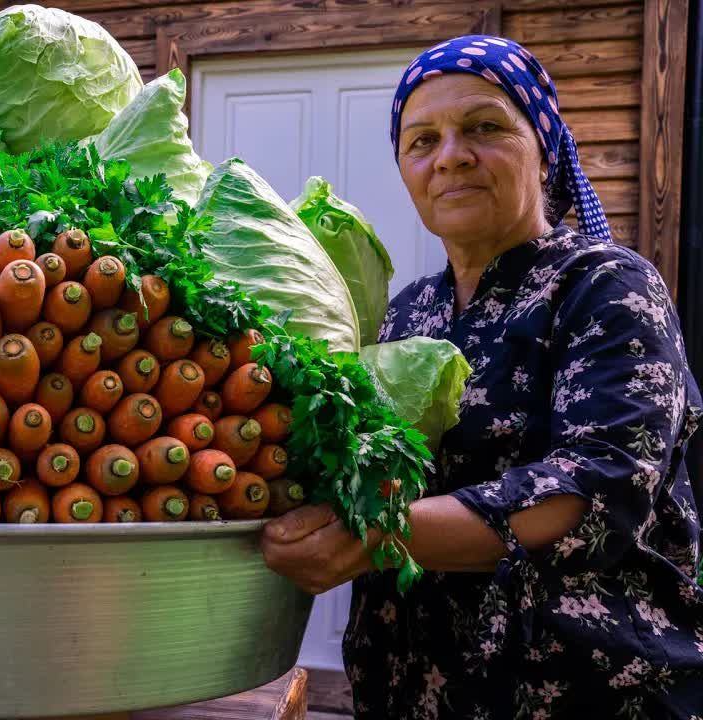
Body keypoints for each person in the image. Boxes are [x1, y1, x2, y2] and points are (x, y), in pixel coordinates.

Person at [262, 35, 703, 719]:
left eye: (484, 127)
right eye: (421, 140)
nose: (451, 156)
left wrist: (378, 535)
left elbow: (598, 490)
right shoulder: (410, 313)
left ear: (545, 143)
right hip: (411, 693)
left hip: (586, 696)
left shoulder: (605, 288)